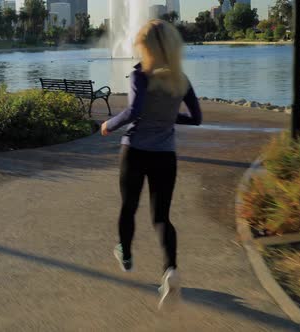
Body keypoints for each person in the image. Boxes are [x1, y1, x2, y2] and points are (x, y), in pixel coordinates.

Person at [101, 20, 202, 309]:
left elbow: (133, 111)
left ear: (146, 47)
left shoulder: (140, 76)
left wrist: (109, 124)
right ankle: (170, 269)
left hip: (135, 151)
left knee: (128, 207)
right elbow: (196, 118)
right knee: (161, 217)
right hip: (165, 155)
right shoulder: (181, 80)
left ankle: (127, 254)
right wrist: (169, 119)